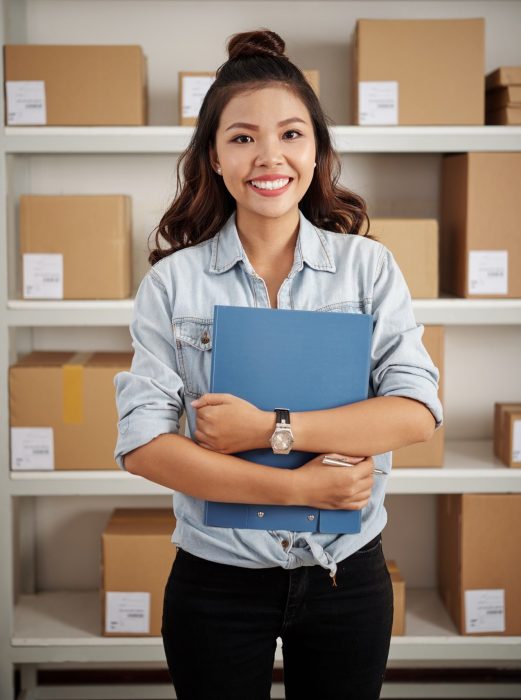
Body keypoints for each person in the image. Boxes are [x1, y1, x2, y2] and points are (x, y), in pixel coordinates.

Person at [114, 28, 443, 700]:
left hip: (343, 575)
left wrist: (269, 429)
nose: (269, 156)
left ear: (316, 150)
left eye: (291, 134)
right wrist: (299, 490)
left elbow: (414, 412)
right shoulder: (173, 284)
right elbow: (143, 444)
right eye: (241, 137)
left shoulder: (367, 268)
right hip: (216, 579)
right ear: (212, 156)